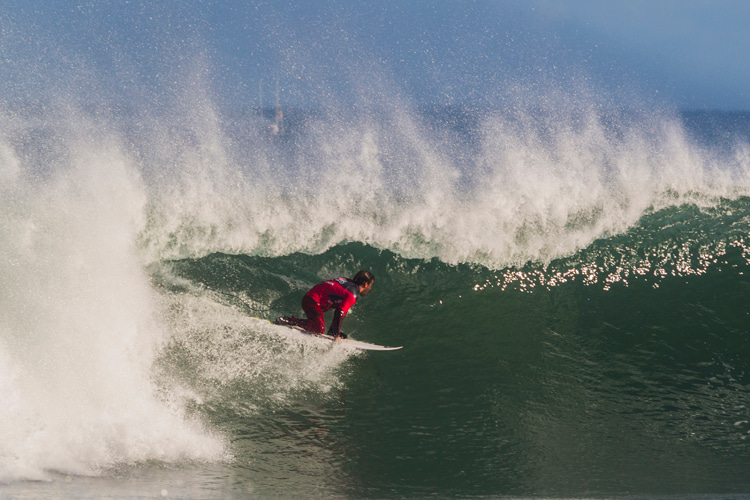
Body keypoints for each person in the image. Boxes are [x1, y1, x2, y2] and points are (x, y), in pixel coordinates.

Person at [274, 270, 375, 339]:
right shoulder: (352, 294)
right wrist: (337, 335)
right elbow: (339, 312)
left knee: (340, 304)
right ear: (365, 284)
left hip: (312, 298)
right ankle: (288, 320)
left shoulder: (346, 281)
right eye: (370, 285)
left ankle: (331, 330)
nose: (370, 289)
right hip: (312, 300)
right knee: (319, 329)